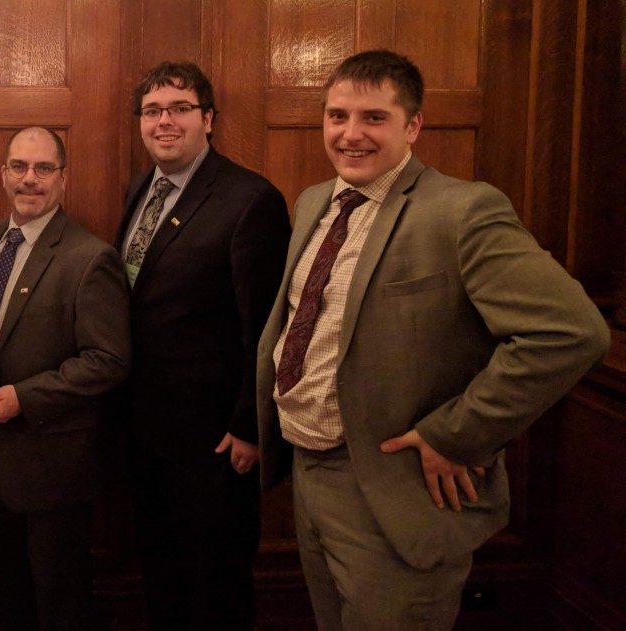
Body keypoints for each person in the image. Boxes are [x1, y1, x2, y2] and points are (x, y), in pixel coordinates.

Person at [256, 49, 611, 630]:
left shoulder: (464, 210)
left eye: (374, 118)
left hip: (395, 493)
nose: (350, 134)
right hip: (305, 475)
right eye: (337, 115)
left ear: (413, 126)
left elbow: (571, 333)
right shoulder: (315, 201)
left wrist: (457, 434)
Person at [116, 61, 291, 629]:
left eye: (179, 108)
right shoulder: (141, 187)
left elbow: (265, 326)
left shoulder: (249, 200)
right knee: (161, 574)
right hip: (146, 430)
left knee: (214, 586)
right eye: (152, 111)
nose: (164, 121)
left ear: (207, 119)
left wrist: (251, 424)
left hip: (215, 442)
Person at [0, 127, 130, 630]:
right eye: (18, 167)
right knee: (10, 590)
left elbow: (109, 359)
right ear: (3, 174)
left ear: (63, 178)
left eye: (42, 169)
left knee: (57, 600)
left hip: (52, 461)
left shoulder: (89, 257)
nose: (29, 180)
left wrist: (24, 397)